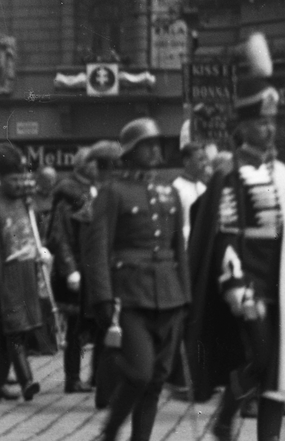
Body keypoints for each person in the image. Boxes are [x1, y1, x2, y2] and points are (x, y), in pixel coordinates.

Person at [185, 32, 285, 441]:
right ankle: (226, 414)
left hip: (282, 284)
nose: (268, 130)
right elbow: (223, 235)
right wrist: (236, 286)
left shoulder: (282, 172)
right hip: (247, 283)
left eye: (271, 121)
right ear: (242, 127)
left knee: (280, 370)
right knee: (258, 358)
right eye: (260, 122)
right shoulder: (229, 174)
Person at [86, 119, 190, 441]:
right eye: (147, 145)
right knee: (141, 374)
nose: (155, 150)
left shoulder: (170, 191)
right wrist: (102, 298)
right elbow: (98, 248)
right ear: (130, 152)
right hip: (129, 295)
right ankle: (111, 429)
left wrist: (186, 296)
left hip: (169, 294)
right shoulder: (112, 192)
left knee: (156, 379)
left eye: (158, 144)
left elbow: (179, 249)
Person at [0, 142, 55, 402]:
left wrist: (40, 249)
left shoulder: (25, 203)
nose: (19, 183)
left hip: (25, 273)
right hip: (3, 277)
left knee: (14, 330)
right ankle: (26, 381)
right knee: (16, 330)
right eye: (13, 177)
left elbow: (31, 231)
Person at [49, 144, 115, 395]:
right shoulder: (68, 192)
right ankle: (72, 378)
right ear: (80, 165)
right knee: (75, 327)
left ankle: (97, 376)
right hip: (76, 268)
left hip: (96, 267)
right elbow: (59, 235)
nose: (96, 166)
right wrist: (70, 269)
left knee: (101, 323)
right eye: (92, 162)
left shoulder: (96, 189)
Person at [172, 142, 212, 244]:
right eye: (200, 159)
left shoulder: (203, 187)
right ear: (186, 161)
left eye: (205, 159)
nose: (205, 163)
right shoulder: (176, 187)